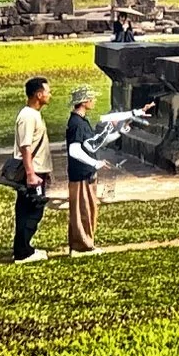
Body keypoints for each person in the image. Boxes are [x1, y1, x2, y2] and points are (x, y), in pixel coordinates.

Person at [61, 88, 156, 254]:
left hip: (86, 172)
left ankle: (84, 243)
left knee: (88, 209)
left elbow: (94, 144)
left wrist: (126, 123)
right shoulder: (77, 124)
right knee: (82, 210)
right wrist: (95, 163)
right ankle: (81, 247)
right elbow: (74, 151)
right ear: (84, 102)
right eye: (92, 98)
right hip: (80, 174)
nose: (94, 101)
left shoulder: (82, 121)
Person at [11, 78, 53, 265]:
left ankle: (23, 247)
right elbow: (25, 146)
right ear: (38, 94)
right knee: (32, 210)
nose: (49, 95)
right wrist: (31, 174)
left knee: (29, 209)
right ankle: (23, 252)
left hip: (37, 171)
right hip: (33, 173)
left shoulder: (33, 114)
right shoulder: (28, 116)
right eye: (47, 91)